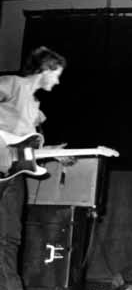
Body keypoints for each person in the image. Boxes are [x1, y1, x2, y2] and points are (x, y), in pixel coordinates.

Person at [0, 46, 66, 290]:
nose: (58, 80)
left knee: (9, 241)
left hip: (13, 177)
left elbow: (24, 152)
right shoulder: (11, 84)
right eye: (56, 74)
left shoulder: (34, 108)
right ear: (44, 70)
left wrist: (54, 154)